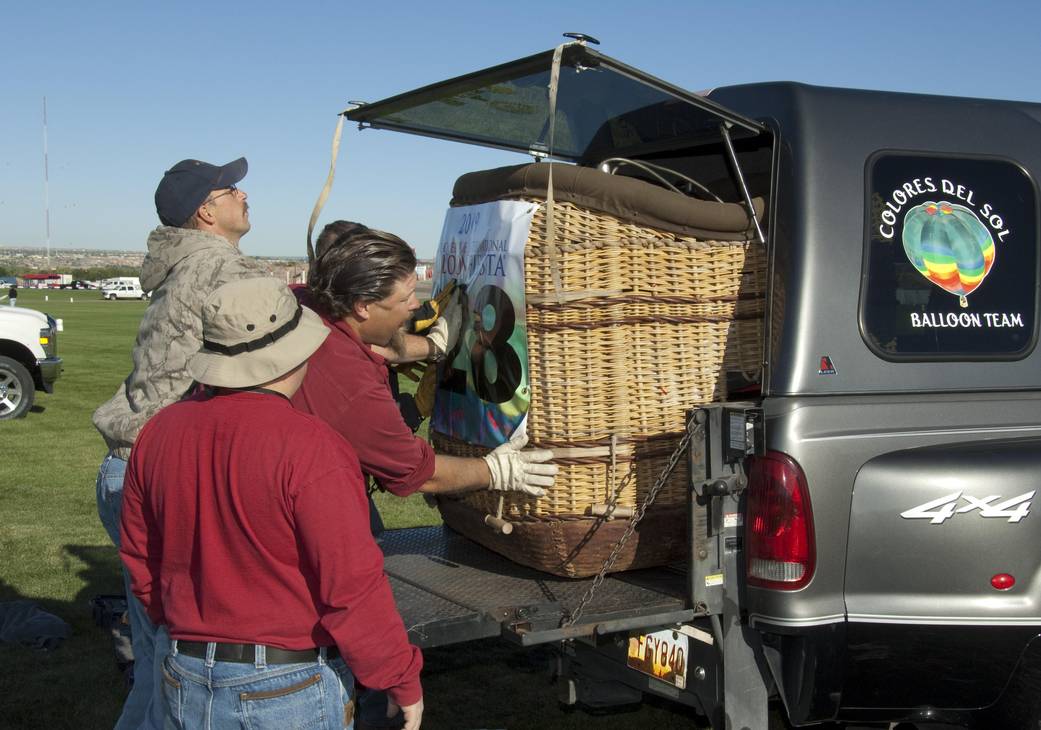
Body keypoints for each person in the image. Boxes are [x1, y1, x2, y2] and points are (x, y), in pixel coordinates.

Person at [119, 278, 423, 730]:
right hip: (286, 683)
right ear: (297, 352)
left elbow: (142, 559)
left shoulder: (161, 431)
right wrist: (399, 678)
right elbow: (351, 585)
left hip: (184, 667)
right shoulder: (312, 446)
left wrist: (181, 623)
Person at [293, 221, 557, 730]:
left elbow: (381, 348)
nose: (415, 308)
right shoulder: (347, 381)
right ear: (364, 306)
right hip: (312, 531)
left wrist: (433, 346)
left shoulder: (309, 307)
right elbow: (417, 473)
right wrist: (495, 468)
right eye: (404, 300)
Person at [92, 157, 267, 729]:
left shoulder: (182, 266)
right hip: (166, 478)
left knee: (155, 663)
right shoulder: (221, 268)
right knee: (190, 669)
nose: (244, 194)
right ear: (206, 211)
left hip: (127, 468)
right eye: (230, 189)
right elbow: (276, 351)